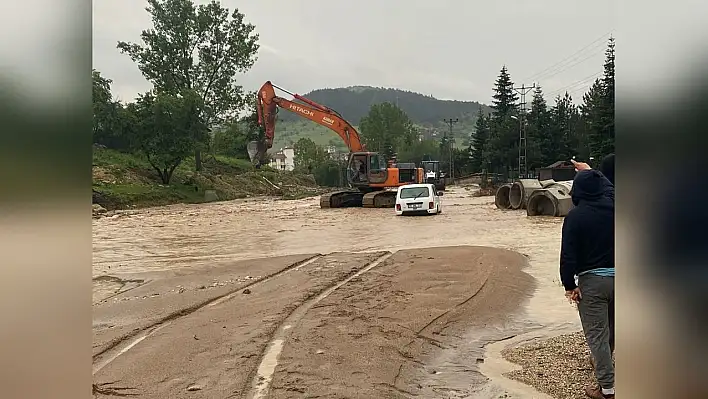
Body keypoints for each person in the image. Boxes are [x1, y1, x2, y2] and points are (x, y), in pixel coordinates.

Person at [560, 167, 615, 399]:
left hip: (593, 282)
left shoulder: (576, 216)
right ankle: (605, 367)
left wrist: (569, 286)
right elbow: (612, 190)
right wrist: (594, 172)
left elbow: (568, 256)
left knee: (598, 337)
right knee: (613, 330)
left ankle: (607, 390)